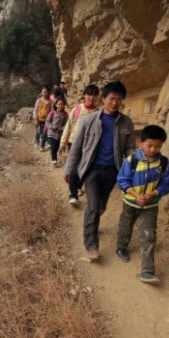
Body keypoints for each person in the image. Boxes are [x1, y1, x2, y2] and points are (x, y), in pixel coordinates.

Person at [64, 81, 136, 260]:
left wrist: (133, 164)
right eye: (111, 99)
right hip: (91, 170)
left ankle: (93, 221)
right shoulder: (90, 120)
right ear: (103, 99)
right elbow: (77, 147)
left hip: (112, 171)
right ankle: (91, 245)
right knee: (94, 206)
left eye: (118, 100)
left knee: (101, 206)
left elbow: (129, 148)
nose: (114, 103)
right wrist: (69, 169)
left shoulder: (126, 122)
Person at [115, 125, 169, 284]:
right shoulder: (131, 161)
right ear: (141, 142)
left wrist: (154, 194)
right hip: (130, 202)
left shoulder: (164, 163)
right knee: (126, 225)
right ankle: (121, 247)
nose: (154, 149)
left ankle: (147, 271)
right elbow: (122, 180)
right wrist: (136, 195)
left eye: (158, 146)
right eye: (150, 145)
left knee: (149, 235)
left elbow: (166, 185)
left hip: (150, 205)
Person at [59, 84, 99, 206]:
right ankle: (72, 195)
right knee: (73, 169)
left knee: (84, 169)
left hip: (89, 147)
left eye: (94, 95)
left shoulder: (98, 113)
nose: (91, 98)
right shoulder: (77, 109)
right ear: (84, 95)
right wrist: (62, 142)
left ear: (97, 97)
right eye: (89, 94)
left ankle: (77, 187)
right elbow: (68, 126)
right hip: (74, 143)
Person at [45, 96, 68, 166]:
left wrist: (61, 128)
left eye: (62, 104)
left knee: (58, 147)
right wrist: (52, 127)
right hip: (52, 134)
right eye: (59, 104)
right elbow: (47, 122)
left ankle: (55, 156)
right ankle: (54, 159)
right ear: (56, 105)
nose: (60, 106)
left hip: (60, 134)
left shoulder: (65, 115)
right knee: (53, 147)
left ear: (64, 105)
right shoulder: (52, 113)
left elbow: (67, 124)